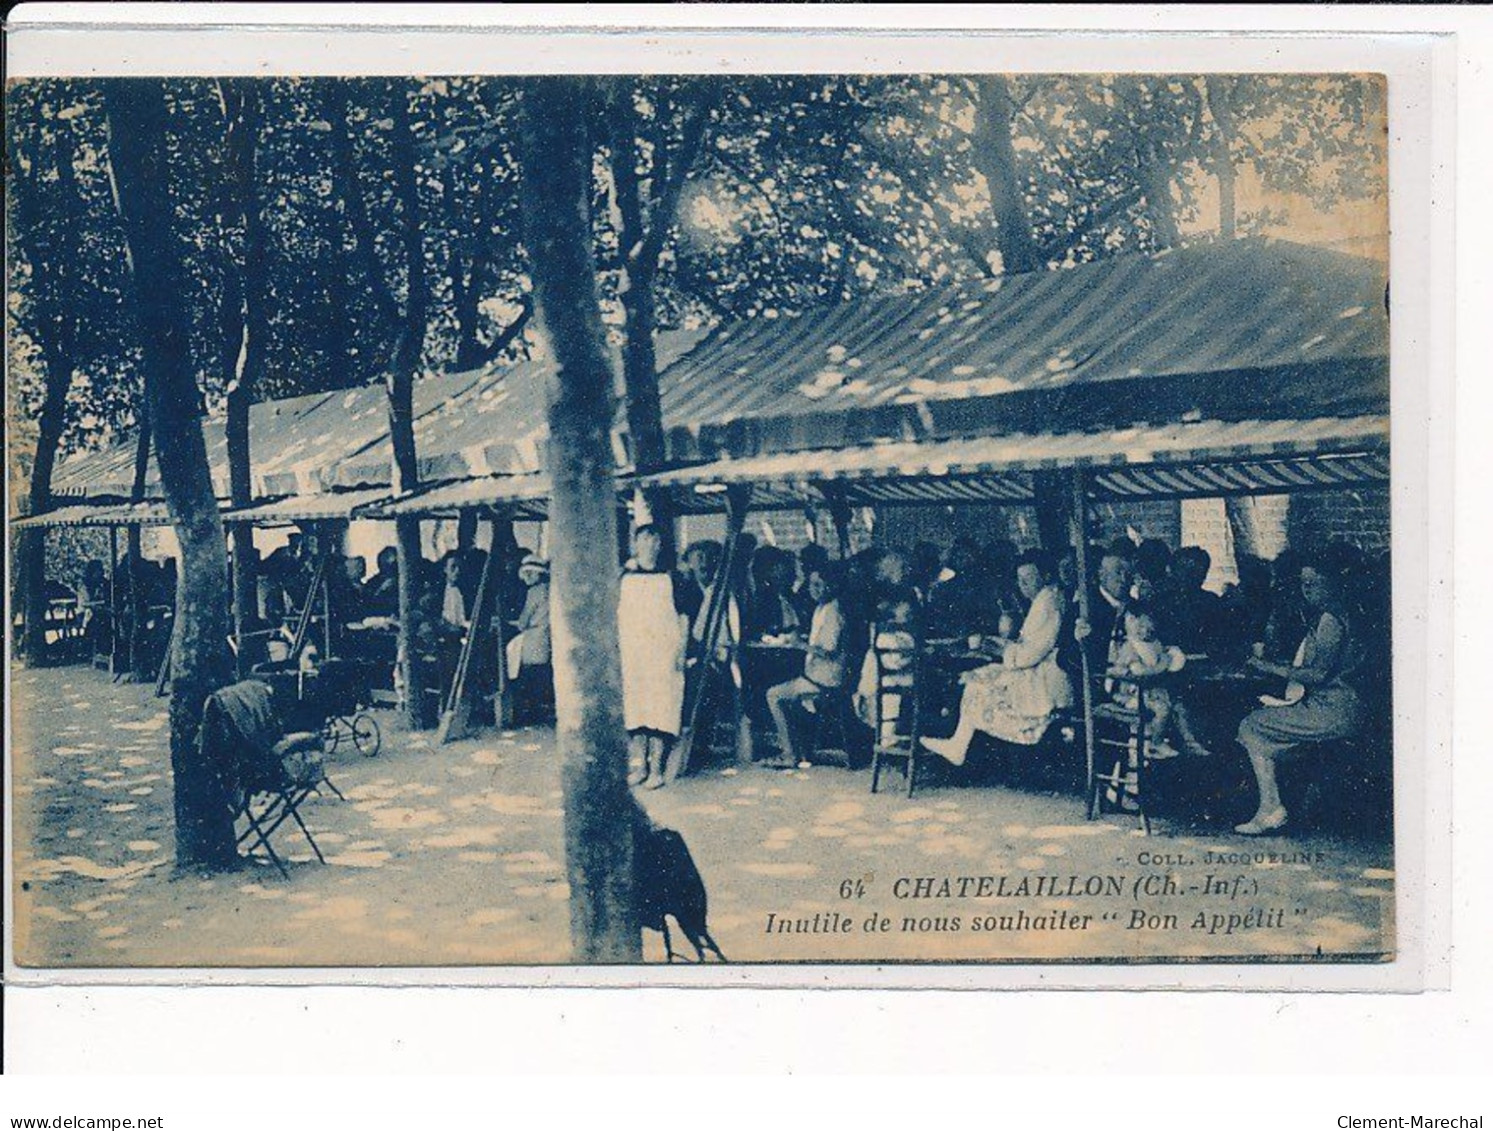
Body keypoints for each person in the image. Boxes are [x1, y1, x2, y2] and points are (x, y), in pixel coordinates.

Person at [1232, 555, 1363, 835]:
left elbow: (1317, 675)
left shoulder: (1330, 619)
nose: (1307, 590)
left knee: (1252, 724)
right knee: (1263, 725)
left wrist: (1266, 666)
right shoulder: (1342, 613)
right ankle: (1278, 804)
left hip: (1333, 709)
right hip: (1339, 705)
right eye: (1304, 584)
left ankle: (1271, 808)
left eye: (1314, 584)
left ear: (1333, 584)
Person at [921, 550, 1074, 765]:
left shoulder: (1048, 601)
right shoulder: (1044, 598)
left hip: (1045, 677)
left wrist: (1003, 651)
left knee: (976, 682)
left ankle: (961, 746)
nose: (1023, 585)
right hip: (1037, 668)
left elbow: (1031, 653)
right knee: (979, 674)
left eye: (1029, 578)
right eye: (1020, 580)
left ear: (1046, 576)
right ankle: (960, 742)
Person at [618, 524, 690, 790]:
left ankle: (657, 769)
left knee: (661, 710)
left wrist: (681, 649)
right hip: (633, 653)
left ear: (660, 544)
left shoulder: (673, 578)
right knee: (635, 711)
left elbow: (684, 616)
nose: (649, 544)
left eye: (653, 539)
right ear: (635, 544)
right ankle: (640, 767)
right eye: (643, 539)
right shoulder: (623, 577)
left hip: (663, 654)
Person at [763, 565, 849, 767]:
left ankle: (789, 754)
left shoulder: (832, 611)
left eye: (819, 585)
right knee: (787, 690)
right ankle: (801, 749)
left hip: (825, 678)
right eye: (812, 584)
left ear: (832, 585)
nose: (814, 589)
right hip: (816, 674)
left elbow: (828, 651)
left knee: (773, 695)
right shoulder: (821, 608)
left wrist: (798, 644)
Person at [1107, 606, 1186, 758]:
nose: (1144, 631)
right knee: (1162, 709)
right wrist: (1162, 666)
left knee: (1174, 706)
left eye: (1148, 628)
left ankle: (1150, 745)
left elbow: (1165, 656)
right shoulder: (1130, 646)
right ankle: (1156, 743)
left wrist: (1168, 657)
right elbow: (1138, 670)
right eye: (1139, 626)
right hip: (1130, 692)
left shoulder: (1154, 644)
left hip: (1150, 690)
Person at [506, 554, 553, 725]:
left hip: (533, 639)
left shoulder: (534, 592)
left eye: (529, 574)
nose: (526, 578)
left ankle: (527, 715)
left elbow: (523, 621)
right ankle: (538, 713)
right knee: (540, 678)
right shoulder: (549, 589)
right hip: (545, 637)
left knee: (526, 677)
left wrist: (515, 622)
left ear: (536, 574)